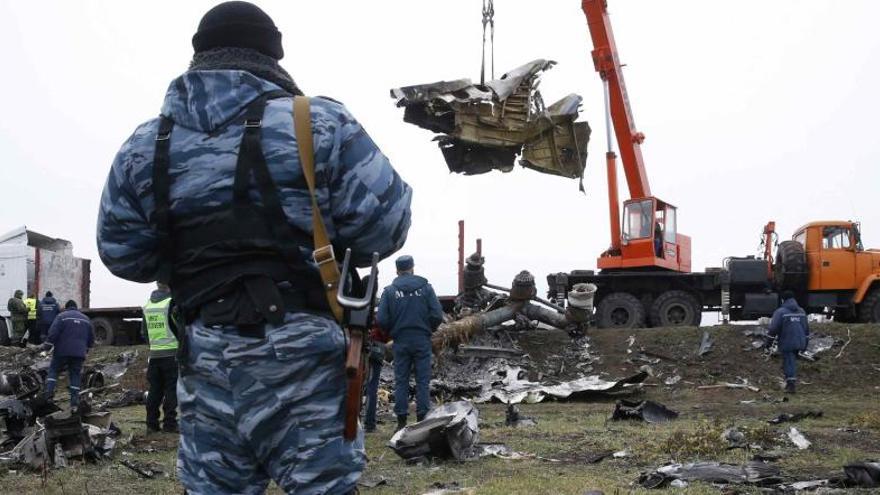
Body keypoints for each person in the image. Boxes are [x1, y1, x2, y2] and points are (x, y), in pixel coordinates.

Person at [96, 2, 411, 492]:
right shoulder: (318, 123)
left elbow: (121, 252)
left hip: (206, 363)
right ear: (274, 55)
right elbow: (387, 227)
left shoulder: (145, 145)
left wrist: (194, 257)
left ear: (199, 54)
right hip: (306, 361)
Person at [377, 256, 444, 431]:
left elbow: (381, 319)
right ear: (412, 268)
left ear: (397, 271)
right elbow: (437, 314)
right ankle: (422, 418)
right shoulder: (426, 289)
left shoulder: (390, 292)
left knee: (401, 381)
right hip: (422, 340)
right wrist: (427, 328)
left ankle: (401, 422)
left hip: (400, 341)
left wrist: (393, 331)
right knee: (422, 380)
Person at [45, 300, 95, 412]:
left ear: (67, 307)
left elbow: (53, 333)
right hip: (79, 354)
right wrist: (86, 349)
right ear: (76, 307)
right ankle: (74, 403)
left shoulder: (61, 317)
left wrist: (47, 346)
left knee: (53, 370)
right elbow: (91, 339)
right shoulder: (86, 319)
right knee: (75, 375)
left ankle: (48, 396)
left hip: (61, 351)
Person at [142, 283, 179, 433]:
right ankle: (170, 424)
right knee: (171, 390)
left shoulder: (148, 305)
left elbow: (145, 332)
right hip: (171, 354)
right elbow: (178, 326)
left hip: (154, 354)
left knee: (154, 390)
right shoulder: (171, 303)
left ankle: (151, 424)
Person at [768, 290, 810, 394]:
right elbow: (806, 329)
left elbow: (773, 329)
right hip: (800, 341)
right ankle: (790, 382)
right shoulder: (801, 311)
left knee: (789, 361)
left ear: (783, 300)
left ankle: (791, 385)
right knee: (791, 362)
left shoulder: (781, 312)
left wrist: (768, 342)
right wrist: (806, 343)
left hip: (787, 341)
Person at [364, 321, 390, 433]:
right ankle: (369, 424)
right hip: (375, 348)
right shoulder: (383, 310)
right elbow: (384, 327)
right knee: (372, 387)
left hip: (358, 345)